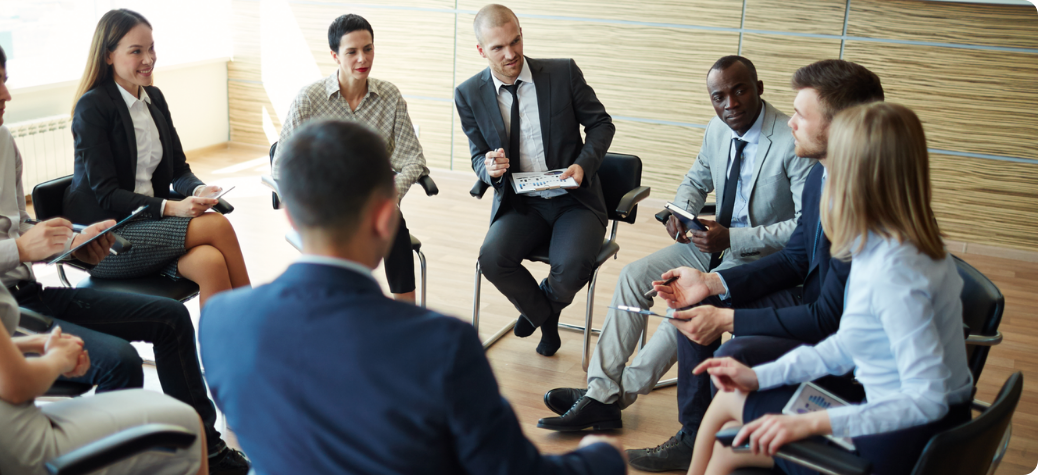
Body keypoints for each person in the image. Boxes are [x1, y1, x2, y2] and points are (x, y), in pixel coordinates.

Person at [0, 27, 249, 474]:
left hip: (27, 294)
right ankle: (236, 374)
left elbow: (17, 228)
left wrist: (71, 245)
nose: (6, 94)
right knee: (133, 359)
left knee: (174, 313)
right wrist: (19, 252)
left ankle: (216, 428)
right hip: (8, 338)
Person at [199, 120, 626, 475]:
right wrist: (602, 459)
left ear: (289, 214)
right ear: (386, 218)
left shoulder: (221, 320)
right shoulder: (442, 345)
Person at [621, 60, 885, 472]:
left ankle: (705, 433)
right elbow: (799, 257)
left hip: (840, 339)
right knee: (695, 304)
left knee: (727, 336)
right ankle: (693, 434)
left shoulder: (866, 209)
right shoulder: (823, 176)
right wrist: (712, 283)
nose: (790, 122)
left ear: (840, 127)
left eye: (800, 114)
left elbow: (829, 318)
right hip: (807, 293)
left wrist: (727, 317)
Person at [686, 102, 974, 475]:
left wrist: (810, 423)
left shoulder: (896, 272)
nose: (824, 175)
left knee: (728, 428)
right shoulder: (893, 245)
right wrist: (761, 376)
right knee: (729, 432)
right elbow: (848, 344)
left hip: (904, 441)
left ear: (861, 176)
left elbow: (928, 400)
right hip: (904, 421)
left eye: (834, 163)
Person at [539, 56, 812, 441]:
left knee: (684, 300)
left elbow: (802, 228)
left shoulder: (789, 141)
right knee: (635, 276)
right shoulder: (717, 130)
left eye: (739, 90)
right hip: (707, 243)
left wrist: (731, 239)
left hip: (756, 258)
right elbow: (695, 178)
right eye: (719, 97)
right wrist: (680, 214)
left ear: (759, 88)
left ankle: (617, 396)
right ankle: (601, 390)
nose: (730, 104)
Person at [455, 4, 615, 356]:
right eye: (498, 48)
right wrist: (488, 168)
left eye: (516, 41)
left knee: (571, 268)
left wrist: (584, 165)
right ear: (481, 50)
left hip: (574, 199)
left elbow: (602, 124)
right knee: (493, 259)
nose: (511, 54)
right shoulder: (468, 94)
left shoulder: (562, 74)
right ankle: (546, 317)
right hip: (521, 202)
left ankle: (540, 307)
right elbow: (477, 157)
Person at [65, 9, 249, 304]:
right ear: (108, 55)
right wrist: (173, 208)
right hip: (110, 241)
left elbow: (178, 168)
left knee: (210, 262)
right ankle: (262, 329)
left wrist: (199, 189)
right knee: (217, 225)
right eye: (136, 51)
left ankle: (231, 350)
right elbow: (108, 195)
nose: (148, 59)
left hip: (151, 228)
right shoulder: (93, 108)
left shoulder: (154, 98)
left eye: (151, 48)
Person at [272, 13, 429, 304]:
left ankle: (405, 311)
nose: (362, 59)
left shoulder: (389, 96)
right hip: (324, 204)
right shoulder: (309, 99)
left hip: (373, 201)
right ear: (334, 56)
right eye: (352, 52)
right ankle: (337, 311)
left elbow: (413, 159)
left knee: (391, 218)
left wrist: (392, 191)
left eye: (368, 49)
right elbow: (282, 164)